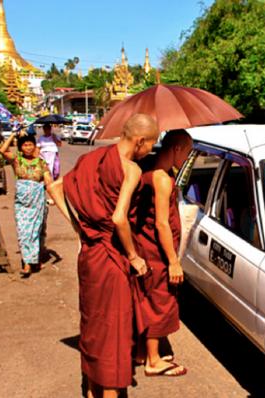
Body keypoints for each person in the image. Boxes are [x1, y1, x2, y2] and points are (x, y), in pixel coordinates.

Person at [47, 114, 158, 398]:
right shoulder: (130, 169)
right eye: (151, 144)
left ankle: (92, 388)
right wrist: (134, 256)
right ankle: (108, 392)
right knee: (114, 330)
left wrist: (77, 227)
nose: (150, 151)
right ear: (140, 140)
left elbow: (55, 187)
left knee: (93, 323)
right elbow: (120, 218)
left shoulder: (90, 159)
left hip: (90, 253)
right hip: (112, 258)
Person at [133, 129, 192, 377]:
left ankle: (141, 352)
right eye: (187, 152)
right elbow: (161, 223)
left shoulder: (148, 168)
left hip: (144, 245)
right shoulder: (161, 178)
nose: (187, 158)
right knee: (160, 300)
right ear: (177, 149)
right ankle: (154, 361)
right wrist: (173, 261)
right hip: (156, 251)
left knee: (147, 299)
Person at [0, 132, 53, 277]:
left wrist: (53, 197)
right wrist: (12, 135)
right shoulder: (17, 160)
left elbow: (48, 181)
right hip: (22, 202)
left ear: (35, 146)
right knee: (23, 231)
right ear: (20, 147)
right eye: (25, 145)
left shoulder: (41, 163)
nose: (28, 148)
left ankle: (33, 260)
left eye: (30, 145)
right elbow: (2, 150)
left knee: (35, 231)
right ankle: (27, 262)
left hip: (37, 201)